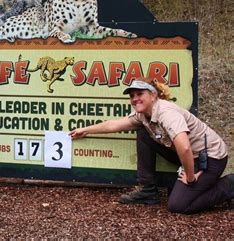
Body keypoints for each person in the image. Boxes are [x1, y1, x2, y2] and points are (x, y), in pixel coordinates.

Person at [69, 78, 233, 214]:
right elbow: (115, 125)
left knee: (178, 205)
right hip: (186, 154)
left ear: (153, 95)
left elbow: (184, 148)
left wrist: (190, 176)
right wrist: (85, 130)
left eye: (140, 94)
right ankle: (147, 190)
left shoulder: (167, 113)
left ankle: (229, 185)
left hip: (210, 157)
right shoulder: (143, 115)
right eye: (132, 96)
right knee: (144, 133)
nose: (135, 99)